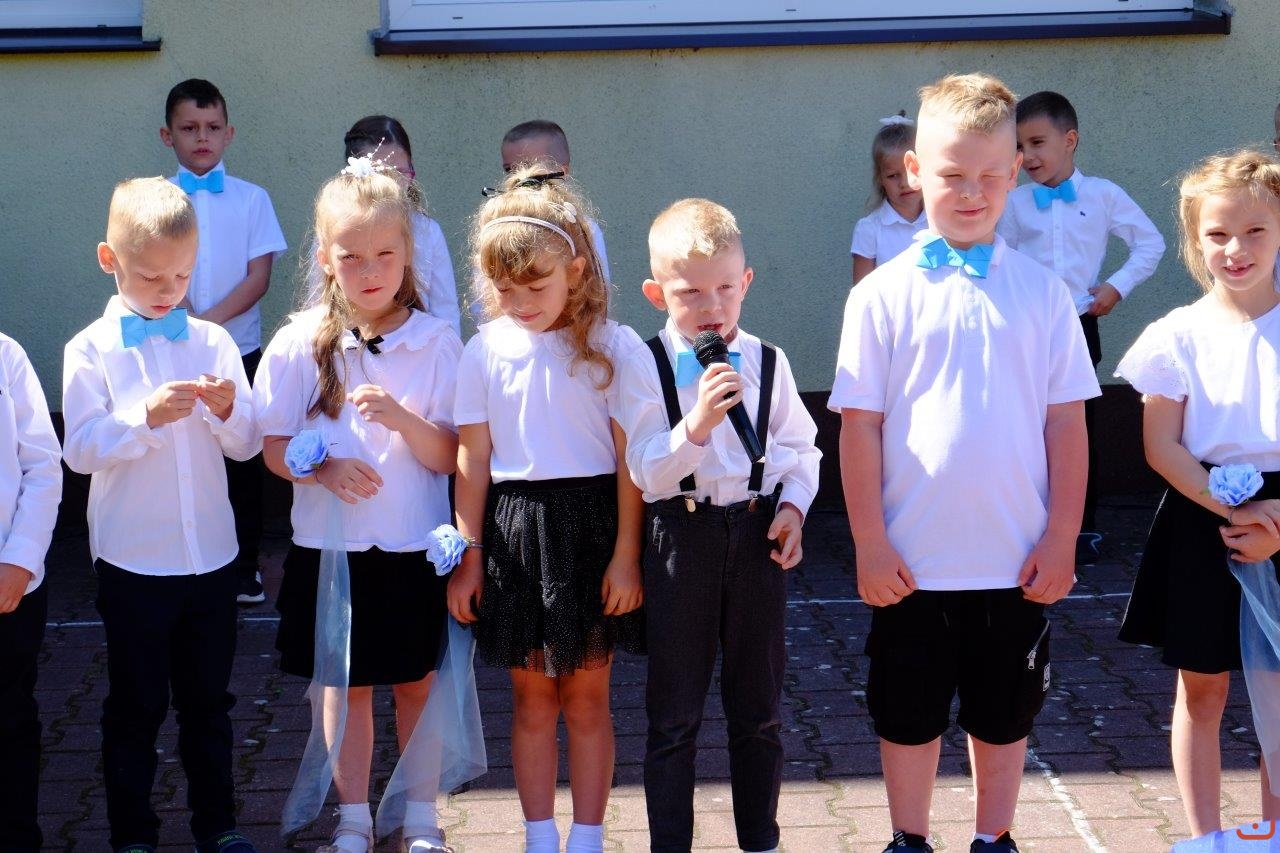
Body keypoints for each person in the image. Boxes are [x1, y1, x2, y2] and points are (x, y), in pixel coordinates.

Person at [830, 73, 1100, 853]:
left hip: (1015, 559)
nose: (973, 193)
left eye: (990, 175)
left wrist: (1062, 534)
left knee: (1005, 710)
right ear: (915, 170)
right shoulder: (880, 296)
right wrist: (869, 540)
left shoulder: (1044, 294)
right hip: (912, 561)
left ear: (1016, 172)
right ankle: (909, 837)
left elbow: (1067, 423)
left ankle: (994, 835)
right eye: (953, 175)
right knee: (906, 710)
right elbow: (860, 427)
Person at [254, 160, 461, 853]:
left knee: (416, 683)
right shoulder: (298, 341)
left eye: (384, 255)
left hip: (409, 543)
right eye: (351, 257)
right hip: (331, 548)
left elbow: (451, 455)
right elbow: (272, 446)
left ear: (407, 256)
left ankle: (422, 816)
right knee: (343, 687)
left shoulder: (436, 342)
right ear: (325, 258)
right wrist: (323, 468)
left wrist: (403, 419)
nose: (370, 272)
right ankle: (352, 818)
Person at [446, 165, 644, 853]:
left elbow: (631, 461)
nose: (521, 302)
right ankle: (538, 836)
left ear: (577, 270)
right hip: (515, 533)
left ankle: (587, 837)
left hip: (593, 529)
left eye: (537, 286)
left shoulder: (613, 346)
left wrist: (626, 554)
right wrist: (468, 555)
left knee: (587, 698)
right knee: (531, 698)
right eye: (505, 289)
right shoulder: (484, 350)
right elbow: (472, 459)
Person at [63, 177, 260, 853]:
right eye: (151, 276)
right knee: (136, 704)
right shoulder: (90, 349)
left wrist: (230, 411)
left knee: (209, 702)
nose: (168, 290)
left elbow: (247, 444)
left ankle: (219, 825)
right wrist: (142, 418)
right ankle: (133, 835)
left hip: (211, 557)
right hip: (134, 559)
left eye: (182, 274)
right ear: (108, 259)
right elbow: (79, 450)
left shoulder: (212, 341)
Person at [617, 198, 820, 853]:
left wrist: (792, 507)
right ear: (657, 294)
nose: (712, 307)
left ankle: (760, 838)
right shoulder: (644, 364)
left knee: (758, 708)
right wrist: (697, 425)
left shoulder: (769, 361)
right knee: (674, 714)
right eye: (691, 293)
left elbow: (800, 449)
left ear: (746, 283)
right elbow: (647, 471)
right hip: (682, 540)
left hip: (756, 536)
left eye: (725, 289)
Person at [1114, 149, 1280, 838]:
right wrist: (1237, 510)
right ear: (1195, 239)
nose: (1236, 249)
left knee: (1278, 689)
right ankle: (1206, 836)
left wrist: (1277, 518)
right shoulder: (1175, 336)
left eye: (1255, 231)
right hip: (1204, 510)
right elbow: (1163, 446)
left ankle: (1275, 830)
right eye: (1218, 234)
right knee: (1202, 684)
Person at [998, 90, 1165, 562]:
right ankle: (1026, 520)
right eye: (1019, 146)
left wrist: (1115, 287)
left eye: (1037, 142)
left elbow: (1150, 243)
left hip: (1077, 324)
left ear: (1069, 140)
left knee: (1077, 427)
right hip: (1024, 327)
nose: (1028, 156)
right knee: (1024, 422)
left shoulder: (1103, 195)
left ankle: (1081, 528)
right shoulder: (1013, 202)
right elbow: (1000, 258)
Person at [161, 78, 287, 604]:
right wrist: (186, 321)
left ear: (229, 133)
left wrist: (208, 325)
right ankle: (180, 557)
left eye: (212, 127)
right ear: (168, 135)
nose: (202, 138)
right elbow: (151, 268)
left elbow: (259, 277)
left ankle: (243, 564)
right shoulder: (155, 200)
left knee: (243, 455)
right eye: (189, 128)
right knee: (180, 448)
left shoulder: (252, 199)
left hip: (238, 348)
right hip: (171, 345)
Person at [0, 332, 62, 853]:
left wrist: (20, 559)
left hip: (8, 582)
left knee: (10, 719)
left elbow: (41, 464)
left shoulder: (6, 355)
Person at [341, 115, 462, 335]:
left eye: (400, 172)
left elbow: (446, 310)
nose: (392, 184)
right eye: (380, 173)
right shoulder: (337, 230)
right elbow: (320, 301)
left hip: (419, 347)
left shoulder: (427, 231)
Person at [500, 119, 610, 281]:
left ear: (561, 172)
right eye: (510, 169)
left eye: (530, 166)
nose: (520, 177)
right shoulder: (499, 226)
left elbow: (598, 289)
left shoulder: (583, 229)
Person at [851, 112, 928, 285]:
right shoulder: (869, 229)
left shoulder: (941, 223)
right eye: (893, 175)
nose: (905, 183)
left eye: (912, 172)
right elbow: (862, 292)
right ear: (880, 178)